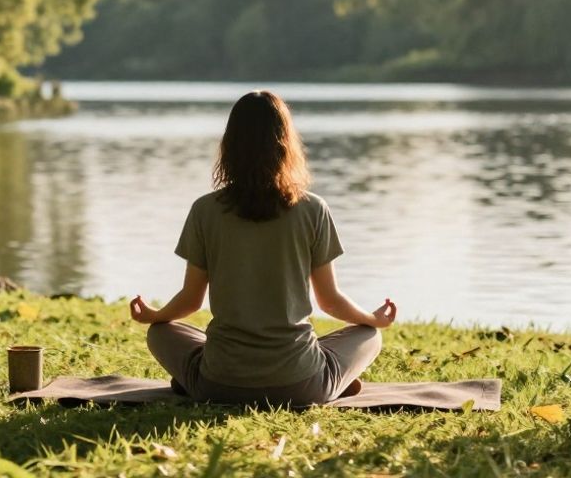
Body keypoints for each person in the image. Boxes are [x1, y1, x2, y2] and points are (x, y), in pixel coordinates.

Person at [128, 90, 398, 406]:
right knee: (368, 336)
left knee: (159, 333)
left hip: (218, 384)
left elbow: (190, 300)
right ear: (286, 144)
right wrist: (373, 319)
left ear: (229, 146)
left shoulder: (205, 210)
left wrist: (155, 315)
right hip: (300, 384)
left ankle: (193, 379)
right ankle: (332, 381)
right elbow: (330, 301)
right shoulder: (313, 209)